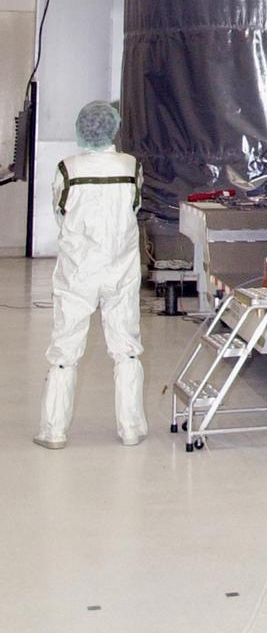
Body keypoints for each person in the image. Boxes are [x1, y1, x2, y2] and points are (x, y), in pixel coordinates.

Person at [35, 101, 147, 449]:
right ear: (112, 128)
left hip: (78, 272)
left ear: (81, 128)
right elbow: (135, 208)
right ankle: (131, 428)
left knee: (65, 350)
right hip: (121, 270)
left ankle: (53, 431)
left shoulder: (67, 169)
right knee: (126, 348)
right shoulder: (130, 166)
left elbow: (60, 213)